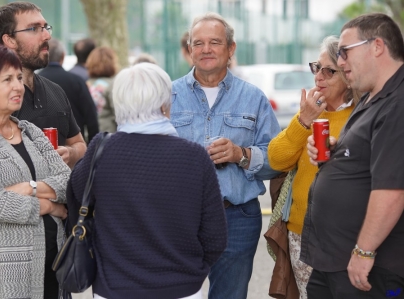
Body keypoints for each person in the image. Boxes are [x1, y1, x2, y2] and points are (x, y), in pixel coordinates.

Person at [67, 62, 227, 299]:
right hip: (181, 287)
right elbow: (215, 237)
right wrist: (192, 270)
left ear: (119, 103)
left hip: (114, 287)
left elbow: (74, 203)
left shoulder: (100, 151)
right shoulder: (195, 156)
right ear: (164, 105)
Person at [171, 12, 281, 299]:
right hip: (179, 217)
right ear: (189, 50)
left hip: (237, 217)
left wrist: (240, 154)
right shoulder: (167, 97)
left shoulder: (254, 98)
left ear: (231, 49)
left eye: (215, 42)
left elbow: (277, 160)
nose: (205, 49)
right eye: (198, 43)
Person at [0, 44, 71, 299]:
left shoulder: (30, 131)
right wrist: (50, 207)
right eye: (7, 79)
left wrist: (28, 188)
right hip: (0, 279)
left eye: (19, 77)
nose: (18, 86)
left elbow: (67, 181)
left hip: (51, 269)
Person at [302, 13, 404, 298]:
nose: (341, 61)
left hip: (366, 267)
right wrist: (338, 152)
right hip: (334, 259)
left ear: (377, 47)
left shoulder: (397, 103)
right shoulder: (372, 95)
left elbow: (392, 189)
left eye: (345, 52)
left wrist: (364, 251)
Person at [267, 35, 361, 299]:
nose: (319, 76)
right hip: (300, 232)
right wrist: (304, 120)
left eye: (328, 71)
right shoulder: (310, 113)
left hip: (345, 236)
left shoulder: (362, 114)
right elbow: (276, 158)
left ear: (348, 75)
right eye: (316, 67)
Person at [0, 1, 86, 168]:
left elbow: (79, 144)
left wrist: (70, 153)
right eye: (34, 28)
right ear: (9, 40)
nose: (47, 36)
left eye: (45, 27)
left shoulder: (55, 91)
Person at [39, 38, 99, 143]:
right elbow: (91, 117)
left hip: (43, 144)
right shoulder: (77, 81)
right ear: (63, 56)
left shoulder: (35, 81)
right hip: (74, 144)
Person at [86, 46, 119, 133]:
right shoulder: (114, 85)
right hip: (108, 133)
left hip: (88, 134)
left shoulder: (86, 84)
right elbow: (118, 114)